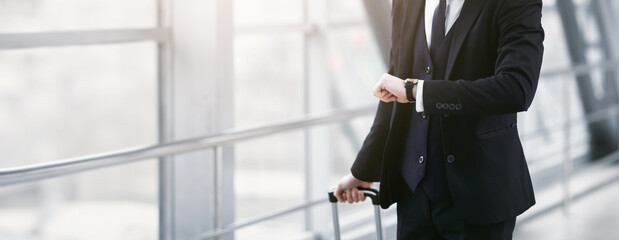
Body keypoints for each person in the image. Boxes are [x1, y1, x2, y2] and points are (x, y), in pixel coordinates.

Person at [333, 0, 544, 239]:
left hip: (481, 194)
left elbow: (516, 88)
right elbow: (394, 86)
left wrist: (418, 92)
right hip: (413, 195)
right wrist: (363, 169)